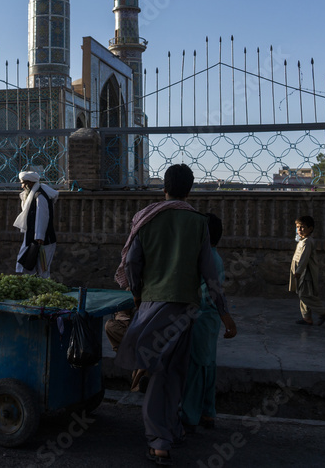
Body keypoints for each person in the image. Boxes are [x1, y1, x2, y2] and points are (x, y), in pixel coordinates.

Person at [115, 164, 237, 465]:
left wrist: (138, 293)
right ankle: (170, 431)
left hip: (153, 304)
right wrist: (224, 313)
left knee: (158, 372)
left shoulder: (146, 219)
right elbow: (210, 274)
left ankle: (159, 441)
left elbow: (131, 262)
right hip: (186, 310)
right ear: (190, 190)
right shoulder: (198, 223)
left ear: (164, 187)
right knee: (174, 373)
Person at [180, 212, 225, 432]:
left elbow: (208, 294)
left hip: (202, 318)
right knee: (207, 365)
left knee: (196, 368)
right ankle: (207, 412)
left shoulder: (208, 259)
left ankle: (189, 415)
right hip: (209, 319)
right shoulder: (213, 257)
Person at [13, 170, 59, 278]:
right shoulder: (32, 195)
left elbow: (42, 217)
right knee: (28, 265)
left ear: (30, 183)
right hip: (33, 238)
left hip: (43, 240)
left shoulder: (39, 196)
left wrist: (40, 236)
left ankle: (45, 292)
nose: (22, 186)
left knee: (43, 269)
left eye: (23, 183)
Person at [291, 215, 325, 326]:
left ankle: (323, 312)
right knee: (303, 295)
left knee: (305, 295)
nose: (299, 229)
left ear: (310, 229)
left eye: (302, 227)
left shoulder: (307, 242)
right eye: (298, 227)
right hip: (301, 273)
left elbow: (304, 259)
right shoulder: (302, 241)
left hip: (305, 274)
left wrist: (298, 271)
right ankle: (307, 318)